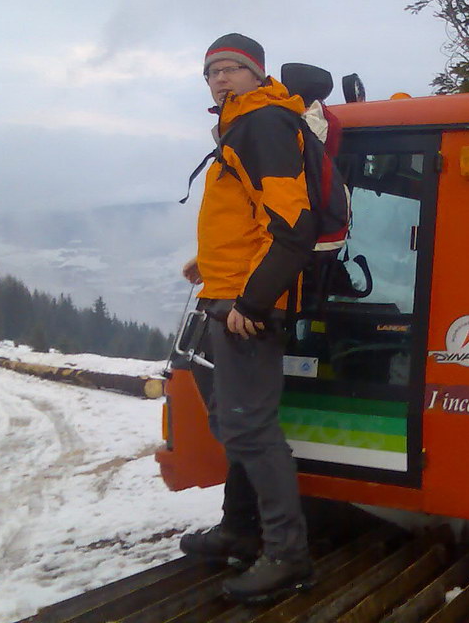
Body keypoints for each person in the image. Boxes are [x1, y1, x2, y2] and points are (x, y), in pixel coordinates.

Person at [179, 33, 316, 602]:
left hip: (246, 309)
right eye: (211, 72)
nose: (220, 78)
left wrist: (252, 303)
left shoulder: (262, 124)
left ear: (256, 73)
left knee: (250, 429)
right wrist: (208, 266)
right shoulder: (243, 124)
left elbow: (293, 226)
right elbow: (249, 217)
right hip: (227, 295)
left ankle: (286, 556)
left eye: (232, 68)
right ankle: (240, 527)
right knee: (232, 421)